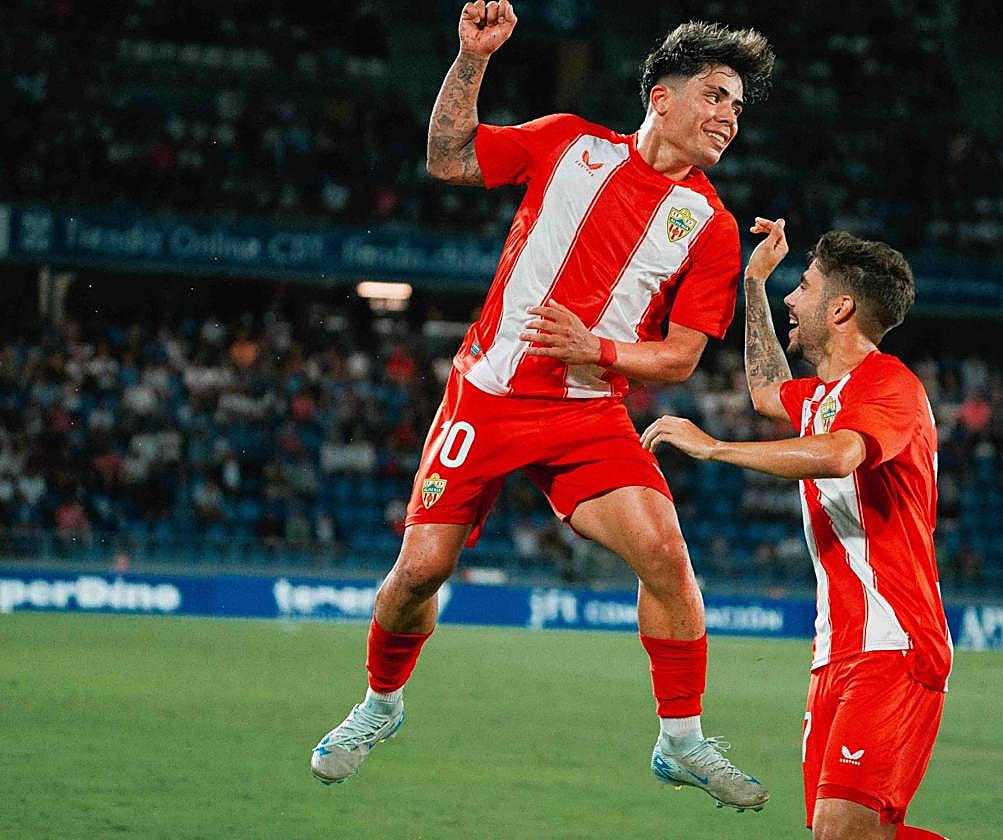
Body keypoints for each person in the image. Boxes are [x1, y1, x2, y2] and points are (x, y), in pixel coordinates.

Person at [311, 0, 776, 811]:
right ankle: (379, 706)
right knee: (421, 571)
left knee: (666, 555)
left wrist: (593, 351)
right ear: (660, 95)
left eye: (737, 106)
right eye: (713, 94)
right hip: (486, 396)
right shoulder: (569, 142)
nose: (728, 117)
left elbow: (681, 357)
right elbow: (449, 156)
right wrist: (472, 58)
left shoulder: (710, 224)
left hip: (586, 413)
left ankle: (681, 740)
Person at [643, 221, 953, 839]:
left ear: (841, 307)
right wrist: (754, 280)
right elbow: (764, 389)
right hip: (836, 650)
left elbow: (840, 454)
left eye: (803, 285)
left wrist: (715, 449)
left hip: (893, 642)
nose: (792, 298)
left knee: (841, 833)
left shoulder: (891, 387)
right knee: (846, 835)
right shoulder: (820, 395)